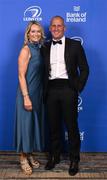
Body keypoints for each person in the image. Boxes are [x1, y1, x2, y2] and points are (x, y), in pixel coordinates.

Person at [42, 16, 89, 176]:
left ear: (64, 28)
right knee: (53, 126)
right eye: (53, 26)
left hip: (68, 88)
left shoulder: (75, 45)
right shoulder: (45, 47)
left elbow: (84, 69)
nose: (56, 28)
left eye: (59, 26)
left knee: (71, 126)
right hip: (51, 89)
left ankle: (74, 159)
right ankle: (54, 156)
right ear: (50, 28)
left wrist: (77, 88)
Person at [14, 21, 45, 175]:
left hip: (37, 93)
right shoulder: (26, 50)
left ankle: (30, 153)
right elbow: (21, 75)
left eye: (38, 31)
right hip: (27, 93)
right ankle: (22, 158)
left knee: (33, 126)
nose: (35, 34)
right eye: (32, 31)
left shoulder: (40, 49)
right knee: (26, 126)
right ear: (28, 34)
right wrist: (26, 97)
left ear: (41, 33)